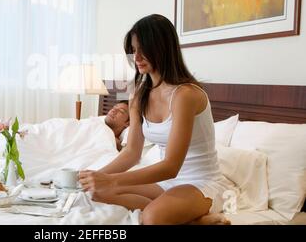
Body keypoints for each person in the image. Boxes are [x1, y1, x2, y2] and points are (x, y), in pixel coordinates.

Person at [79, 14, 231, 225]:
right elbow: (132, 153)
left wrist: (112, 180)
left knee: (152, 218)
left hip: (200, 183)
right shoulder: (138, 95)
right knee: (97, 193)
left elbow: (171, 166)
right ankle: (192, 220)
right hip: (167, 183)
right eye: (133, 50)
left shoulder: (185, 95)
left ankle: (192, 216)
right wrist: (93, 178)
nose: (137, 57)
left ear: (163, 48)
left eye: (144, 49)